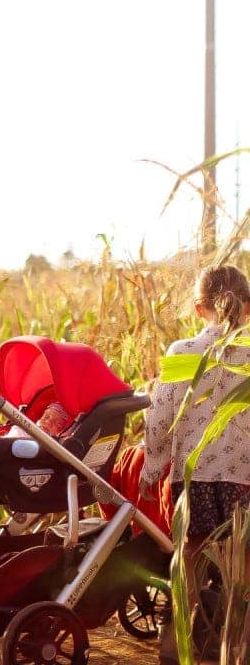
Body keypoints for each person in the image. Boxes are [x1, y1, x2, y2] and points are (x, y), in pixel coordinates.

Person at [140, 264, 250, 664]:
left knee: (189, 557)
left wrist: (151, 469)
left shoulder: (183, 353)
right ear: (249, 308)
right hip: (241, 479)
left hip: (195, 475)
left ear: (197, 307)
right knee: (241, 564)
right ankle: (236, 648)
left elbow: (161, 419)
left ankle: (176, 646)